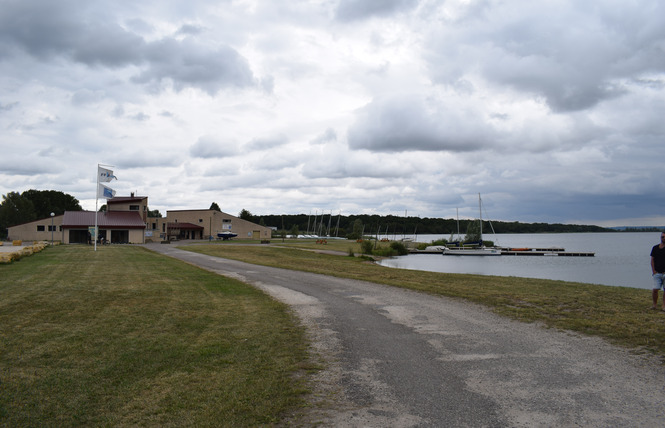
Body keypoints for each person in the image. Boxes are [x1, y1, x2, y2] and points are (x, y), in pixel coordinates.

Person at [650, 232, 665, 310]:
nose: (663, 238)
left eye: (664, 237)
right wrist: (654, 271)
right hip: (657, 273)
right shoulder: (655, 248)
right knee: (655, 289)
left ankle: (663, 306)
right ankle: (654, 305)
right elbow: (652, 260)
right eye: (662, 237)